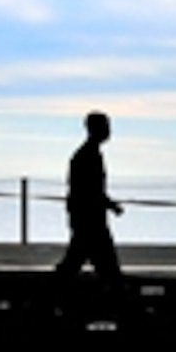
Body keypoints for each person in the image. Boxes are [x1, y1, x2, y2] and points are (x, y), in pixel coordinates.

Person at [54, 111, 124, 296]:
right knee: (105, 266)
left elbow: (88, 189)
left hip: (86, 218)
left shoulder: (86, 155)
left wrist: (108, 204)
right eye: (106, 126)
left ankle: (46, 301)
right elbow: (90, 190)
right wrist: (110, 205)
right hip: (90, 220)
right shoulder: (87, 156)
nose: (109, 131)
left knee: (76, 263)